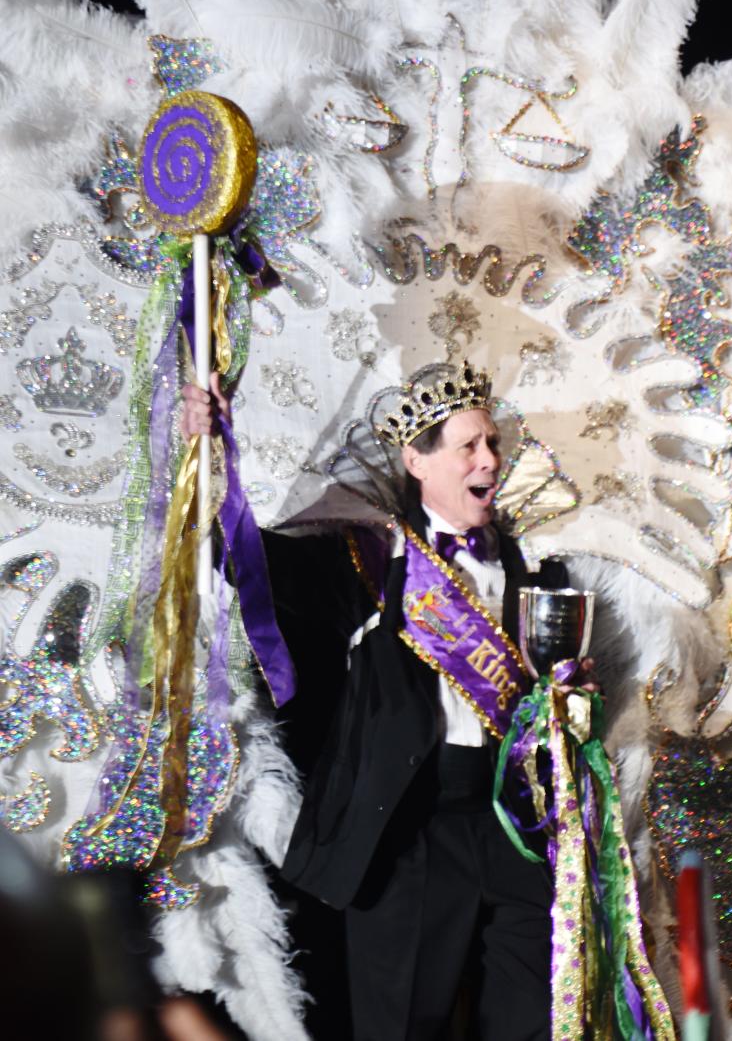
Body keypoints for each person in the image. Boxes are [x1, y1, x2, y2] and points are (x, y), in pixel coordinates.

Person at [183, 361, 575, 1041]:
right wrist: (211, 455)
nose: (490, 459)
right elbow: (243, 555)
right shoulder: (364, 557)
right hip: (408, 829)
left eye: (493, 444)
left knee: (533, 1020)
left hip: (516, 826)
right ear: (416, 461)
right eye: (469, 446)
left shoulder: (530, 563)